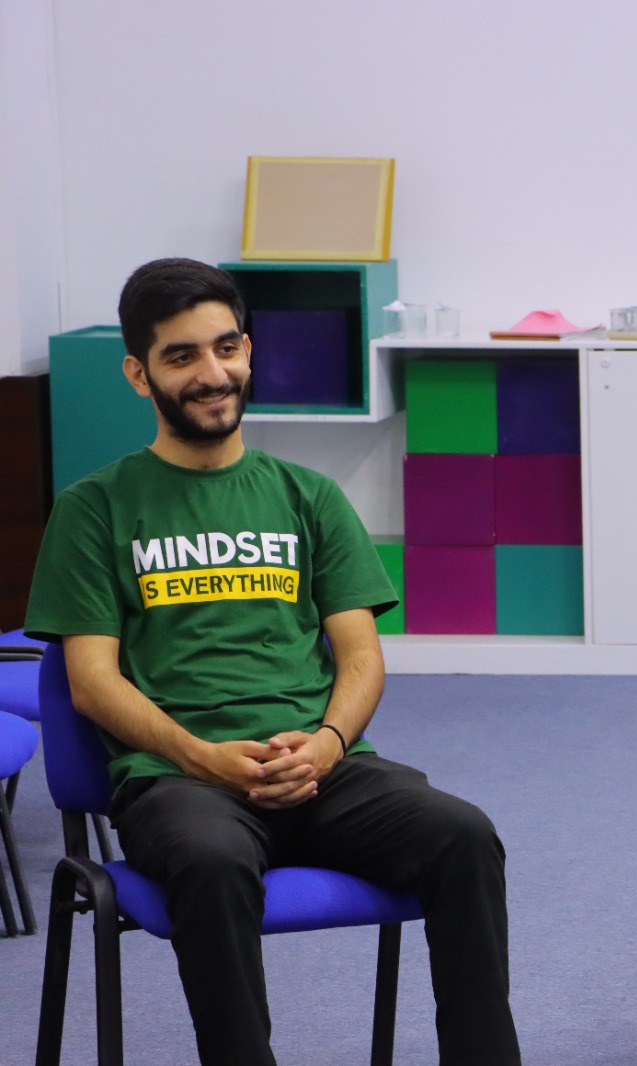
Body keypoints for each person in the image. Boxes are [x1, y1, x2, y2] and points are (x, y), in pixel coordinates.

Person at [24, 258, 521, 1066]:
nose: (212, 373)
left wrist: (326, 744)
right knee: (211, 862)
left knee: (463, 837)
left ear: (248, 352)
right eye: (182, 356)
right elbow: (92, 682)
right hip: (179, 779)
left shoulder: (310, 496)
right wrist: (204, 758)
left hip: (320, 767)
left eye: (226, 348)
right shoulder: (94, 509)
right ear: (139, 374)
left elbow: (360, 656)